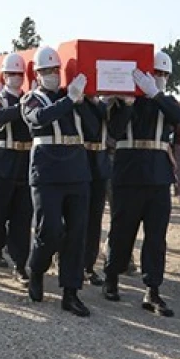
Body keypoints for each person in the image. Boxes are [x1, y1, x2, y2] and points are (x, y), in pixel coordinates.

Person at [102, 51, 180, 317]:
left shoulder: (166, 101)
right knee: (122, 230)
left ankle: (153, 289)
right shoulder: (126, 100)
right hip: (128, 171)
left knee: (156, 236)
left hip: (158, 175)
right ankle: (112, 276)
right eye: (155, 73)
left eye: (163, 75)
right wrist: (126, 104)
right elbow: (113, 132)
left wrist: (155, 94)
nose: (159, 78)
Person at [22, 46, 96, 317]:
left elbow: (95, 128)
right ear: (37, 74)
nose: (51, 75)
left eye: (54, 70)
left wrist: (86, 101)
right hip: (47, 171)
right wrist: (70, 99)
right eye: (45, 71)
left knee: (77, 233)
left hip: (77, 170)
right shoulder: (31, 98)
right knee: (50, 229)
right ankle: (37, 269)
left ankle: (70, 292)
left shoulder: (72, 97)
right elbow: (39, 119)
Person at [0, 52, 34, 282]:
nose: (15, 77)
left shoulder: (30, 98)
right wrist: (23, 107)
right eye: (11, 74)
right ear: (4, 76)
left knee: (22, 218)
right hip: (3, 160)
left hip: (25, 160)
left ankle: (20, 263)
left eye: (18, 74)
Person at [80, 92, 110, 288]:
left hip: (100, 161)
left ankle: (88, 265)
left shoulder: (106, 104)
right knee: (75, 217)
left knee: (95, 218)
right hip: (80, 159)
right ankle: (68, 258)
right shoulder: (78, 100)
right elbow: (90, 127)